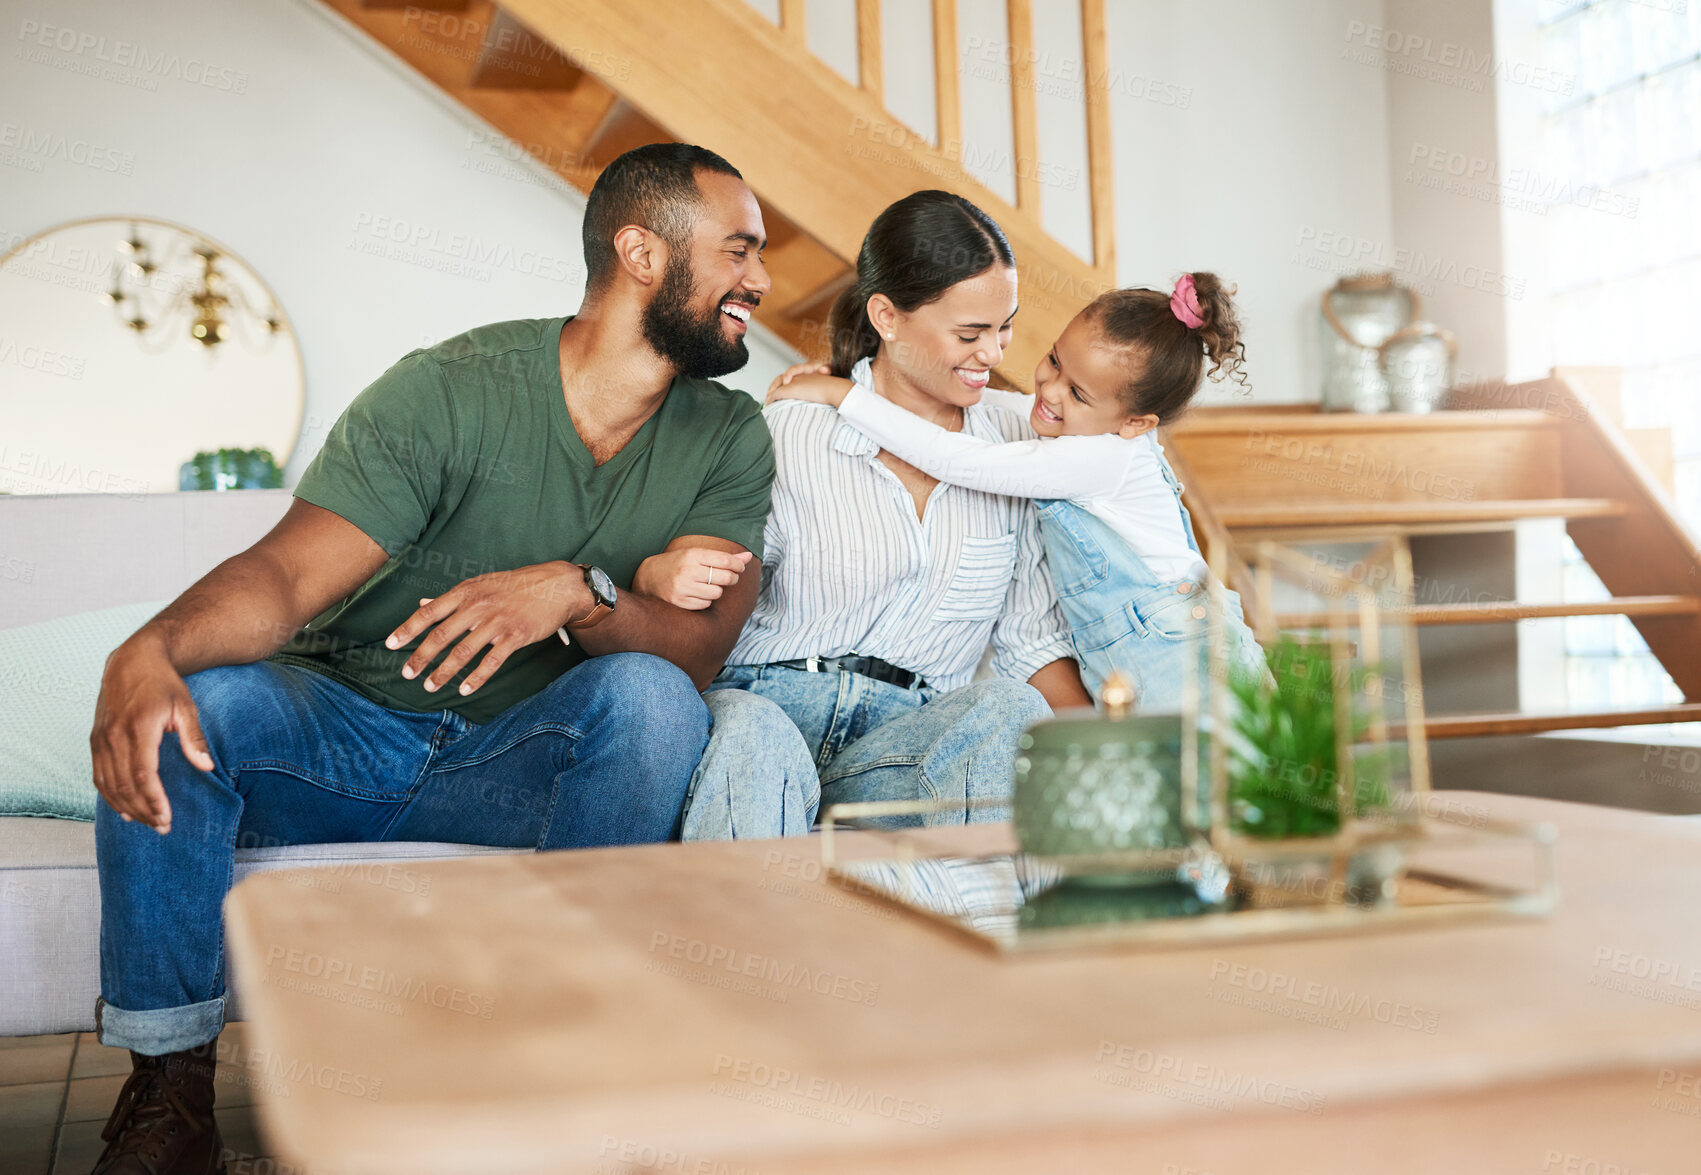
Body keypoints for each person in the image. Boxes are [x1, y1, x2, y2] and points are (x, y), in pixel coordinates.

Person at [83, 142, 815, 1175]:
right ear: (642, 253)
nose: (763, 281)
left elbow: (694, 653)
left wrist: (576, 586)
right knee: (189, 707)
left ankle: (557, 1058)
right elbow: (286, 579)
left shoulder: (730, 434)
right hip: (343, 730)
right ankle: (170, 1094)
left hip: (516, 765)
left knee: (651, 699)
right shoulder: (446, 392)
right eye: (740, 250)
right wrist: (146, 647)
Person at [645, 190, 1092, 831]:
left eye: (1005, 327)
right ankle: (746, 928)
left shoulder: (1018, 450)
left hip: (910, 741)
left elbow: (1031, 646)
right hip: (771, 707)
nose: (993, 355)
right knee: (751, 734)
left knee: (1011, 711)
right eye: (969, 334)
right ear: (886, 315)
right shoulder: (792, 427)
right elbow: (709, 586)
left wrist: (1120, 753)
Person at [767, 273, 1267, 708]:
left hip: (1176, 648)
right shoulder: (1096, 428)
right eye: (1054, 361)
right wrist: (848, 374)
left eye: (1076, 392)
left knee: (1218, 795)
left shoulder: (1096, 457)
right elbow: (1002, 407)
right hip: (1156, 637)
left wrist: (844, 396)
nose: (1049, 391)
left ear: (1138, 423)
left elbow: (954, 457)